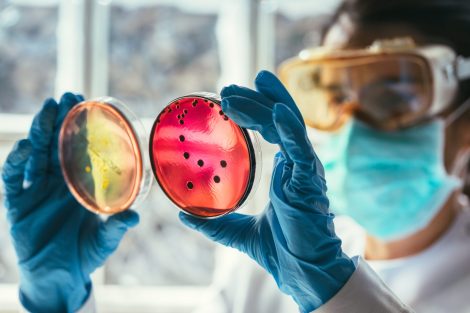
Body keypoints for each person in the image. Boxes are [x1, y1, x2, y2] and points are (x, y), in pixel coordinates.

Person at [1, 1, 469, 313]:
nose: (352, 124)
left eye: (394, 96)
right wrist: (57, 302)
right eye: (332, 97)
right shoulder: (266, 262)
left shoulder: (300, 259)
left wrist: (333, 288)